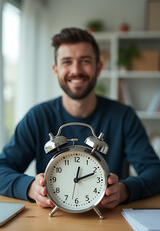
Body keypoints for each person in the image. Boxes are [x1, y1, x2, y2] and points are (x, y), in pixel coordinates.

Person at [0, 28, 160, 210]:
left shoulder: (123, 116)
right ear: (56, 70)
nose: (76, 70)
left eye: (85, 61)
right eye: (67, 62)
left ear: (98, 68)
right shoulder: (37, 117)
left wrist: (125, 190)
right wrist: (30, 188)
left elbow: (155, 172)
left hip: (108, 218)